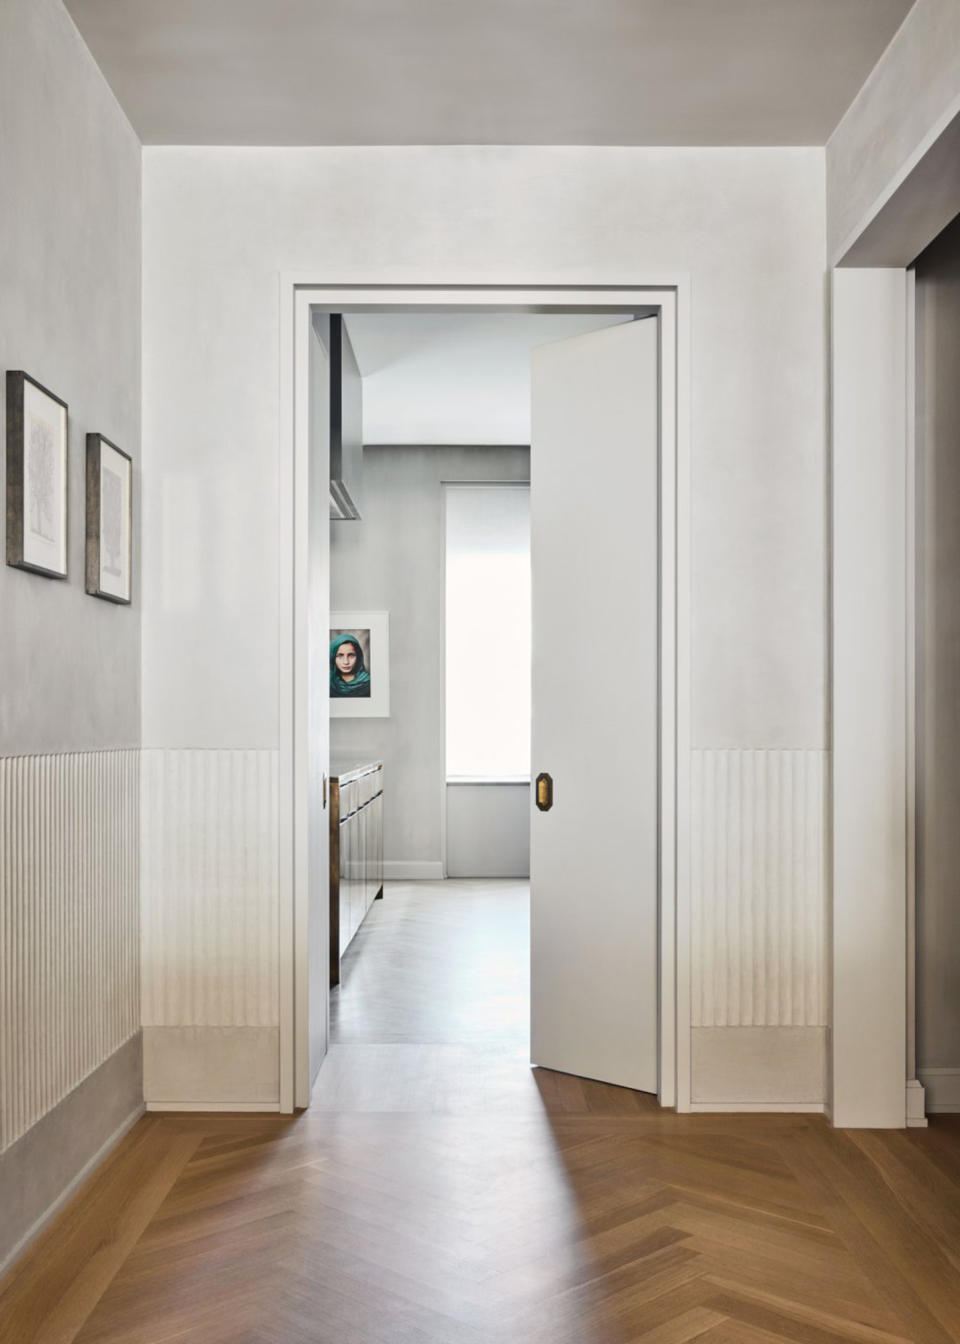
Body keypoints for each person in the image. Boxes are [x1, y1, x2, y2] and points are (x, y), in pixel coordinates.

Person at [330, 633, 371, 697]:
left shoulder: (369, 684)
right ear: (332, 657)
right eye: (340, 656)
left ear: (358, 657)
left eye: (351, 655)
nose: (346, 662)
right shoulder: (327, 683)